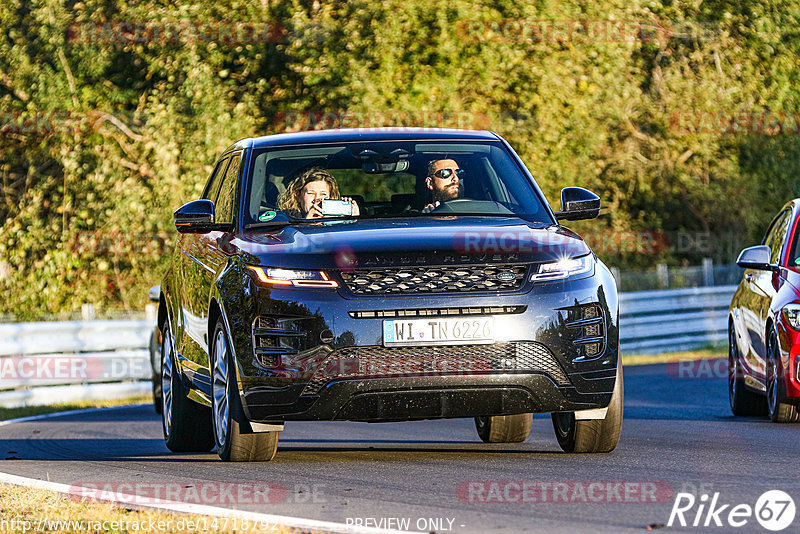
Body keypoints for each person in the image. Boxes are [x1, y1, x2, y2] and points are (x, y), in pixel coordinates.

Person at [277, 167, 360, 218]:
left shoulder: (340, 224)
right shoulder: (286, 221)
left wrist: (354, 221)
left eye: (323, 194)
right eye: (310, 193)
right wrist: (306, 224)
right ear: (298, 196)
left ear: (332, 198)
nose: (316, 199)